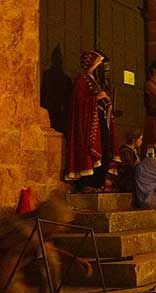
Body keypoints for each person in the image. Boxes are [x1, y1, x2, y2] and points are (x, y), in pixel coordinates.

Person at [65, 50, 120, 192]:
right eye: (98, 64)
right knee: (92, 151)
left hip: (101, 121)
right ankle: (88, 184)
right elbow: (79, 102)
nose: (101, 68)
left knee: (105, 149)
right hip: (89, 124)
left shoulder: (94, 81)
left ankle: (98, 183)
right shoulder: (81, 80)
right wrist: (96, 98)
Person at [117, 128, 142, 193]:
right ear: (134, 140)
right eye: (140, 139)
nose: (141, 141)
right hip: (127, 182)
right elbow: (128, 168)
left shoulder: (135, 150)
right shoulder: (125, 152)